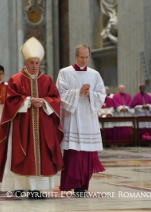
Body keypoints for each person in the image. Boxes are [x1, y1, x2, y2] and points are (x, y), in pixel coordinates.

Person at [0, 37, 64, 199]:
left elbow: (56, 98)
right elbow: (10, 100)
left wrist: (45, 102)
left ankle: (36, 190)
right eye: (31, 63)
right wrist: (28, 101)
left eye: (37, 63)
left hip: (43, 126)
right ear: (25, 63)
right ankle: (18, 187)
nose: (34, 66)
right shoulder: (15, 79)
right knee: (22, 155)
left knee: (41, 156)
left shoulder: (47, 80)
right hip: (22, 126)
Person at [56, 44, 106, 196]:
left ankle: (83, 185)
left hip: (88, 118)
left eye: (86, 57)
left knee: (87, 153)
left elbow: (102, 94)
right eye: (81, 57)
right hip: (73, 117)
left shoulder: (94, 74)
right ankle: (75, 184)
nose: (84, 60)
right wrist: (78, 92)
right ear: (75, 56)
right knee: (74, 153)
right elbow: (59, 94)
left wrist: (90, 94)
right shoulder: (65, 72)